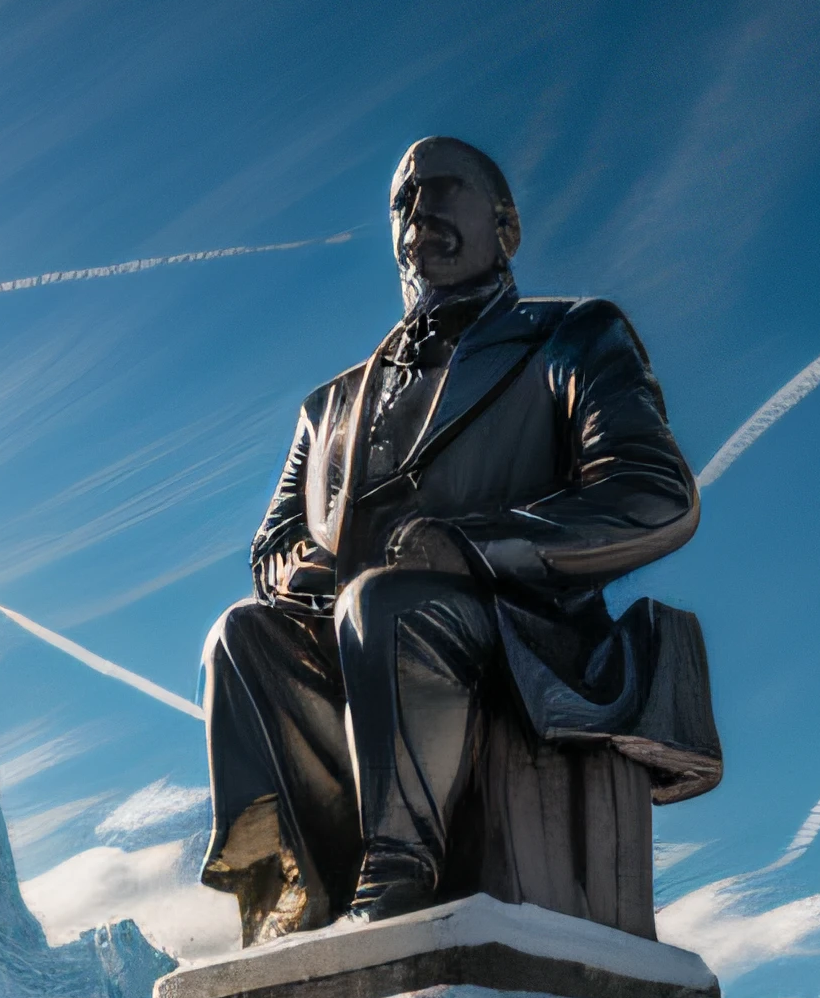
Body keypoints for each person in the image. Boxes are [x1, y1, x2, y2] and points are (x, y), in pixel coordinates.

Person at [200, 137, 721, 942]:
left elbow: (653, 494)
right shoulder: (327, 406)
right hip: (359, 629)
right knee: (240, 634)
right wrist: (313, 578)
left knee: (386, 604)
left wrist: (474, 547)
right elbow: (273, 545)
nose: (419, 214)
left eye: (443, 193)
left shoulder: (574, 336)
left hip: (520, 635)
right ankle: (295, 899)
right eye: (404, 203)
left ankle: (399, 878)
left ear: (506, 229)